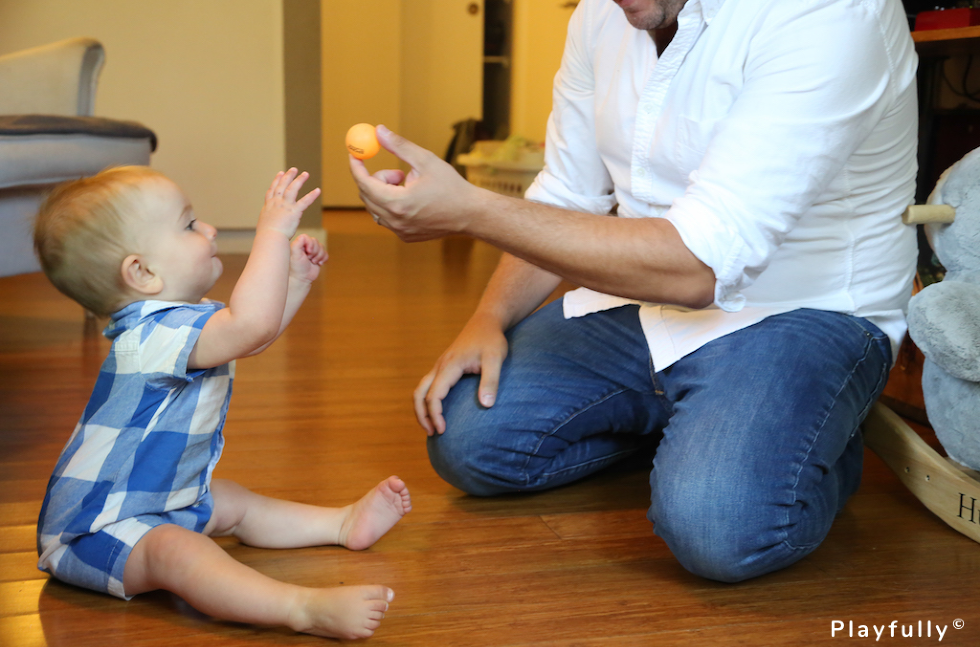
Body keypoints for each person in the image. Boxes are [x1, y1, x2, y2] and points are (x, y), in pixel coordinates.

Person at [350, 0, 917, 583]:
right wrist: (487, 318)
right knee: (468, 441)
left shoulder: (832, 13)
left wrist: (472, 210)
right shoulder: (599, 16)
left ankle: (825, 443)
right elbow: (567, 197)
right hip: (644, 301)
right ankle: (699, 424)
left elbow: (700, 265)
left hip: (803, 311)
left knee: (719, 529)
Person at [34, 166, 412, 639]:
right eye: (190, 225)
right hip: (92, 531)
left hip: (156, 504)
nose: (208, 230)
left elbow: (249, 337)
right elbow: (249, 326)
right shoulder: (148, 336)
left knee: (231, 499)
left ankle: (341, 523)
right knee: (177, 551)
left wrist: (293, 280)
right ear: (142, 272)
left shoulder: (178, 323)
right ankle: (301, 607)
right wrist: (272, 234)